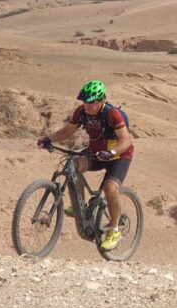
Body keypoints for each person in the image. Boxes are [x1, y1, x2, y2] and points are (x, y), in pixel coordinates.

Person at [37, 79, 134, 251]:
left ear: (102, 100)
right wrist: (49, 139)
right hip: (97, 153)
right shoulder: (82, 112)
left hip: (119, 155)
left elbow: (126, 141)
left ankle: (114, 229)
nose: (87, 106)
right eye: (85, 102)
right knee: (74, 164)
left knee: (110, 188)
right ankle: (79, 206)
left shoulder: (113, 115)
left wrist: (111, 153)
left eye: (92, 102)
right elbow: (67, 131)